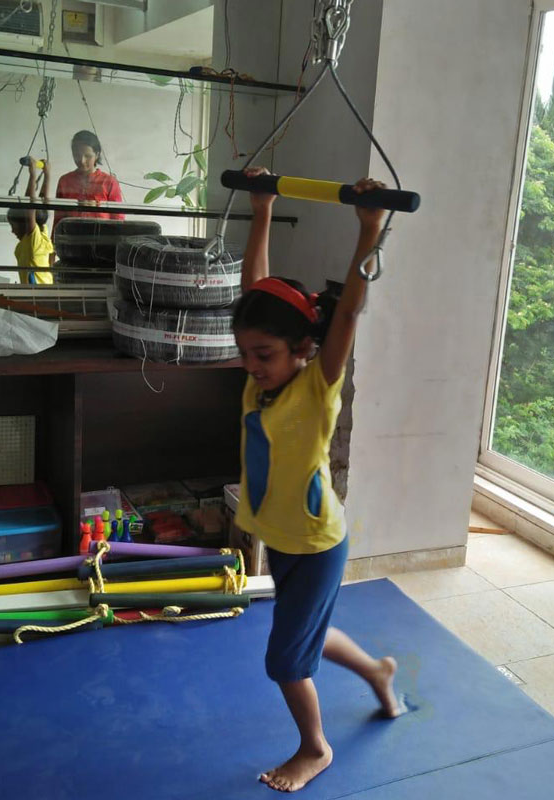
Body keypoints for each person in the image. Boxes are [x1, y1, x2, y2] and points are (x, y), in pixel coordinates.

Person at [233, 166, 405, 794]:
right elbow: (256, 288)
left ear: (302, 347)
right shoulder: (262, 380)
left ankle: (315, 748)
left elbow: (350, 310)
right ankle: (378, 673)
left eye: (264, 354)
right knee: (302, 636)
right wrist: (261, 209)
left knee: (285, 659)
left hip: (314, 543)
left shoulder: (317, 384)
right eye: (245, 352)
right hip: (282, 539)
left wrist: (369, 227)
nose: (251, 365)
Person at [53, 130, 124, 230]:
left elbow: (118, 219)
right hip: (72, 236)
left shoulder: (109, 182)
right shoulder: (64, 181)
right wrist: (54, 239)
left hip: (102, 237)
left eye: (87, 156)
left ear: (97, 155)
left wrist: (97, 205)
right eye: (77, 155)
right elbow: (58, 219)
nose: (82, 161)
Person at [8, 160, 54, 285]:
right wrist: (47, 174)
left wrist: (33, 174)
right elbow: (43, 202)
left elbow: (30, 208)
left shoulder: (34, 241)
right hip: (34, 291)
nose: (12, 231)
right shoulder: (41, 232)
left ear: (24, 224)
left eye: (13, 226)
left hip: (40, 292)